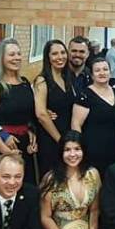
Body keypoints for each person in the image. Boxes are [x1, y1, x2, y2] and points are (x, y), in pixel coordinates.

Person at [0, 38, 38, 180]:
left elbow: (26, 113)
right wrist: (6, 152)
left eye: (18, 54)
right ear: (1, 59)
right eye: (11, 54)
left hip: (23, 147)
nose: (16, 58)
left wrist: (30, 130)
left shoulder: (25, 83)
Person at [71, 56, 115, 176]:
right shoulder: (85, 95)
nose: (102, 73)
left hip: (114, 147)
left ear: (110, 72)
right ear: (92, 75)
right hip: (92, 149)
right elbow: (75, 125)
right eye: (97, 70)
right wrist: (79, 149)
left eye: (105, 69)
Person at [33, 39, 75, 176]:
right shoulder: (42, 80)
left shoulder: (67, 77)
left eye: (63, 52)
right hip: (51, 139)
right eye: (55, 54)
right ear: (48, 57)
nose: (60, 57)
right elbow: (41, 115)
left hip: (67, 135)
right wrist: (60, 140)